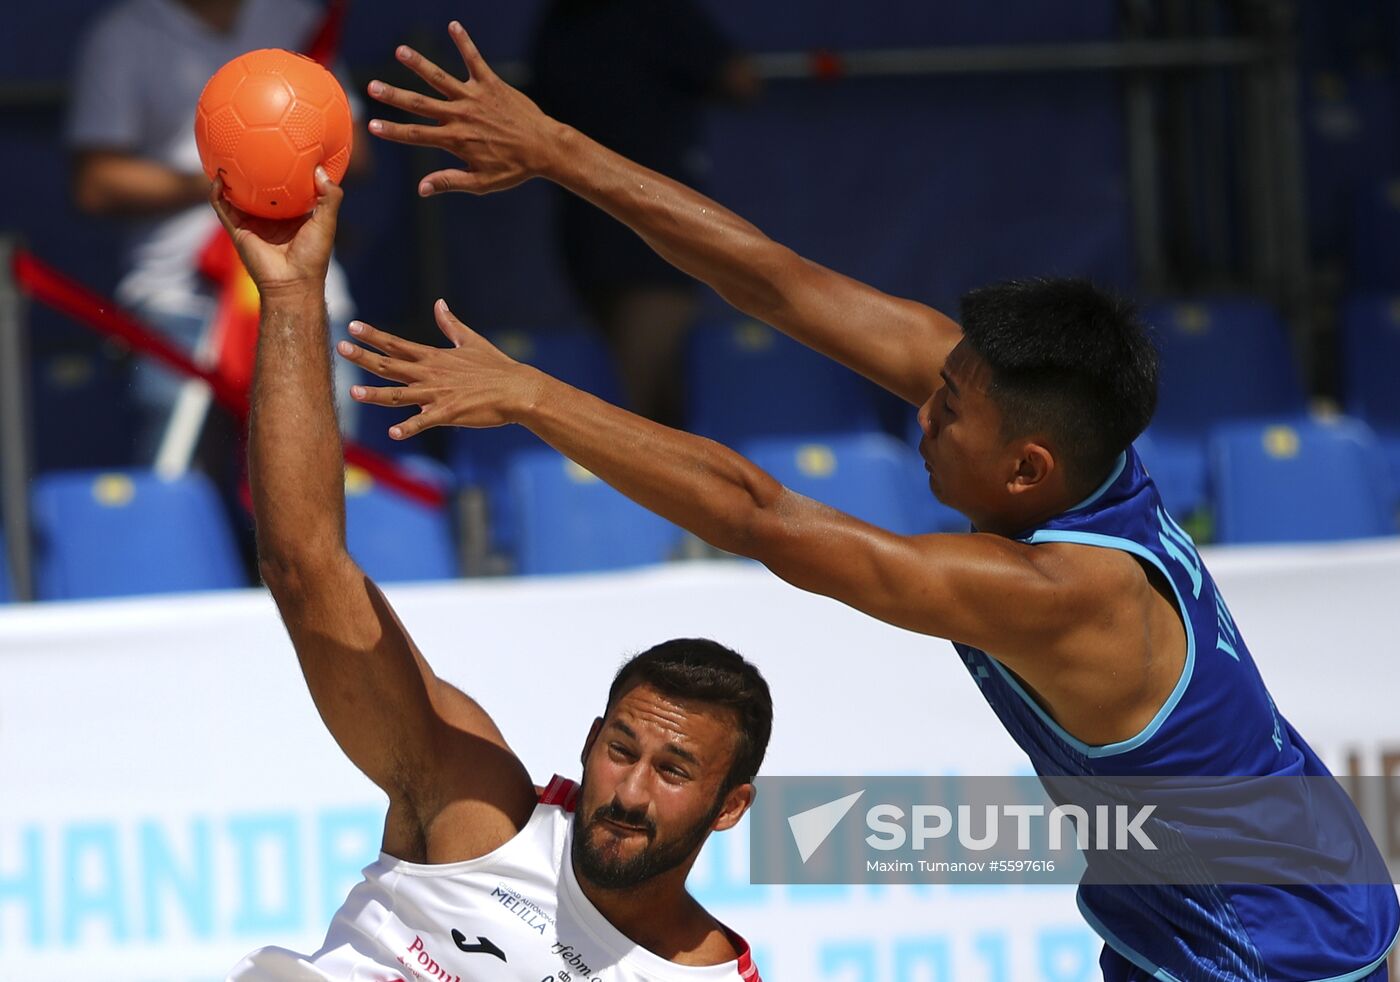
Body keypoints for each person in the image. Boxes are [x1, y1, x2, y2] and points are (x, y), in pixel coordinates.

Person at [346, 23, 1399, 981]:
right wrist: (554, 148)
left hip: (1275, 952)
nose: (921, 412)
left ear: (1026, 469)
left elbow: (758, 515)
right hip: (1229, 895)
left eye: (948, 410)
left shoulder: (1064, 590)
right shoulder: (1068, 445)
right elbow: (776, 280)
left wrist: (531, 396)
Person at [211, 168, 768, 981]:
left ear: (729, 807)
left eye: (674, 771)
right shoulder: (479, 812)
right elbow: (302, 568)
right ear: (589, 741)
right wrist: (295, 294)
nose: (630, 790)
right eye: (621, 748)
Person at [67, 0, 366, 463]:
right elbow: (95, 183)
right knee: (179, 471)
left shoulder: (296, 18)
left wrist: (286, 164)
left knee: (324, 468)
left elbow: (355, 151)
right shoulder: (123, 34)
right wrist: (231, 181)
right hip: (178, 298)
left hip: (308, 286)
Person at [528, 0, 759, 426]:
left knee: (646, 406)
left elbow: (739, 78)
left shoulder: (641, 15)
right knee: (636, 409)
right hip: (613, 238)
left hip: (648, 239)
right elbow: (739, 79)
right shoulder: (572, 22)